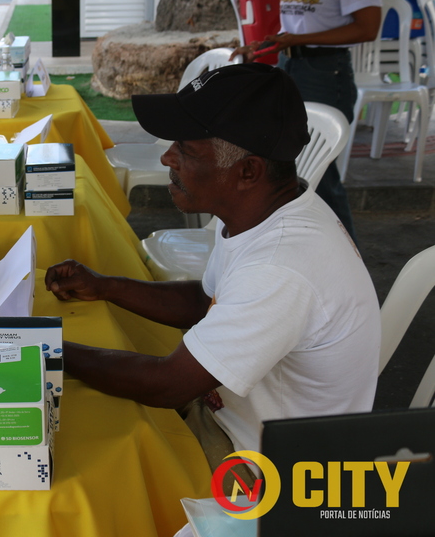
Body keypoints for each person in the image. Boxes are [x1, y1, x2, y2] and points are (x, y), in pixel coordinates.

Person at [45, 64, 380, 477]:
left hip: (264, 464)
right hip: (229, 415)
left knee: (83, 462)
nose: (167, 156)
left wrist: (45, 351)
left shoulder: (279, 266)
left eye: (185, 148)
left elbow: (167, 385)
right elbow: (207, 300)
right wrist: (105, 287)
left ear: (248, 171)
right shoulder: (262, 212)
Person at [232, 0, 381, 242]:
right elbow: (304, 22)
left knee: (320, 176)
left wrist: (296, 41)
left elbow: (367, 27)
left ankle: (346, 257)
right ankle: (302, 247)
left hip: (325, 73)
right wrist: (270, 43)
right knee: (289, 168)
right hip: (292, 67)